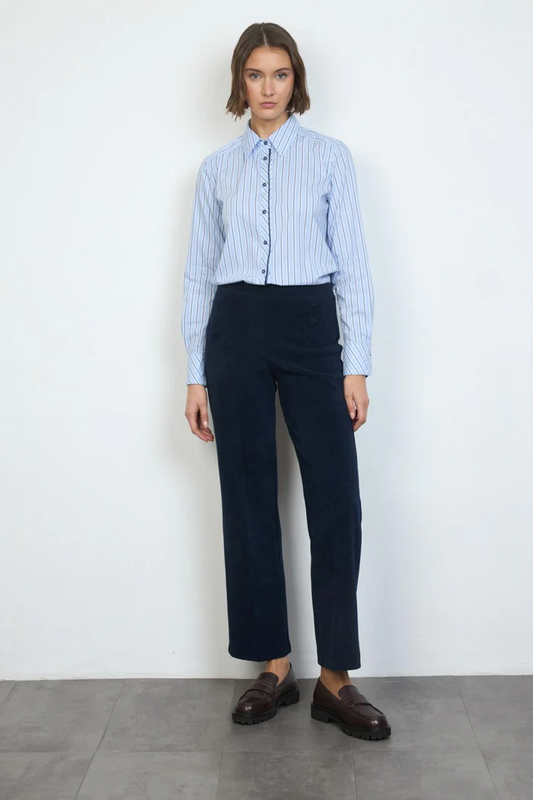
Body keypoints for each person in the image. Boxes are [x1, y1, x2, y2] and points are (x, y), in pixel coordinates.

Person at [181, 22, 391, 741]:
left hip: (309, 326)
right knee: (247, 498)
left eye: (279, 74)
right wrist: (195, 375)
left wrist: (355, 363)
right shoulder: (216, 169)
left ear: (295, 80)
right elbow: (198, 276)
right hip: (235, 328)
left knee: (336, 499)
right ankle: (273, 665)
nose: (267, 88)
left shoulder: (330, 158)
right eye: (254, 74)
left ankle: (335, 678)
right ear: (239, 83)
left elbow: (352, 263)